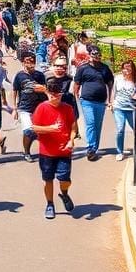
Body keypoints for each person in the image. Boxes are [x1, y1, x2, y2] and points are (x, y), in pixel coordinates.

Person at [31, 78, 79, 219]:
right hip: (46, 152)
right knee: (48, 179)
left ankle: (64, 193)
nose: (54, 98)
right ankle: (50, 204)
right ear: (48, 94)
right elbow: (34, 128)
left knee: (65, 179)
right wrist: (49, 129)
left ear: (61, 94)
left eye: (57, 95)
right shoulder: (42, 108)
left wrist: (71, 140)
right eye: (52, 95)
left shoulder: (67, 108)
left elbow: (73, 127)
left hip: (64, 150)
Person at [73, 46, 114, 161]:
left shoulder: (105, 68)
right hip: (87, 101)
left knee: (97, 125)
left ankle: (94, 148)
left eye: (98, 56)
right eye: (94, 55)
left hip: (101, 102)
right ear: (89, 56)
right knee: (90, 123)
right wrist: (75, 97)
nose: (97, 58)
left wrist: (110, 100)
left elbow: (110, 83)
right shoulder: (83, 68)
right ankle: (90, 147)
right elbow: (77, 83)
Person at [11, 52, 47, 162]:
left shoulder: (40, 75)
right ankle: (26, 152)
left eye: (32, 61)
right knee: (28, 131)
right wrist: (14, 108)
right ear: (23, 62)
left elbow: (45, 89)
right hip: (24, 107)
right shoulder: (19, 76)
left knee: (39, 131)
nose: (29, 64)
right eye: (27, 61)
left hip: (38, 106)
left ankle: (46, 151)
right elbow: (15, 91)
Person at [112, 60, 136, 161]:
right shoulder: (118, 78)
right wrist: (111, 103)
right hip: (118, 108)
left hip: (131, 109)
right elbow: (113, 91)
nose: (126, 70)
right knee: (120, 129)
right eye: (124, 68)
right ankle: (120, 151)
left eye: (128, 68)